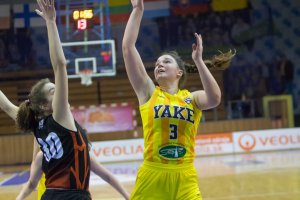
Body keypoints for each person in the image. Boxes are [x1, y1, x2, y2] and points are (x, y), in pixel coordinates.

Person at [0, 0, 129, 199]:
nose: (59, 90)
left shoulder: (37, 122)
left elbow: (6, 105)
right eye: (53, 90)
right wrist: (51, 22)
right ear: (44, 105)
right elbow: (60, 65)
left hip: (50, 195)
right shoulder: (59, 117)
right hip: (71, 196)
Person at [122, 0, 235, 199]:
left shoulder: (191, 99)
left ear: (179, 72)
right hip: (153, 174)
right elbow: (128, 48)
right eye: (157, 63)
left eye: (166, 61)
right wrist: (137, 10)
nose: (159, 65)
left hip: (185, 176)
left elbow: (215, 98)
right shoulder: (148, 92)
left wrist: (199, 61)